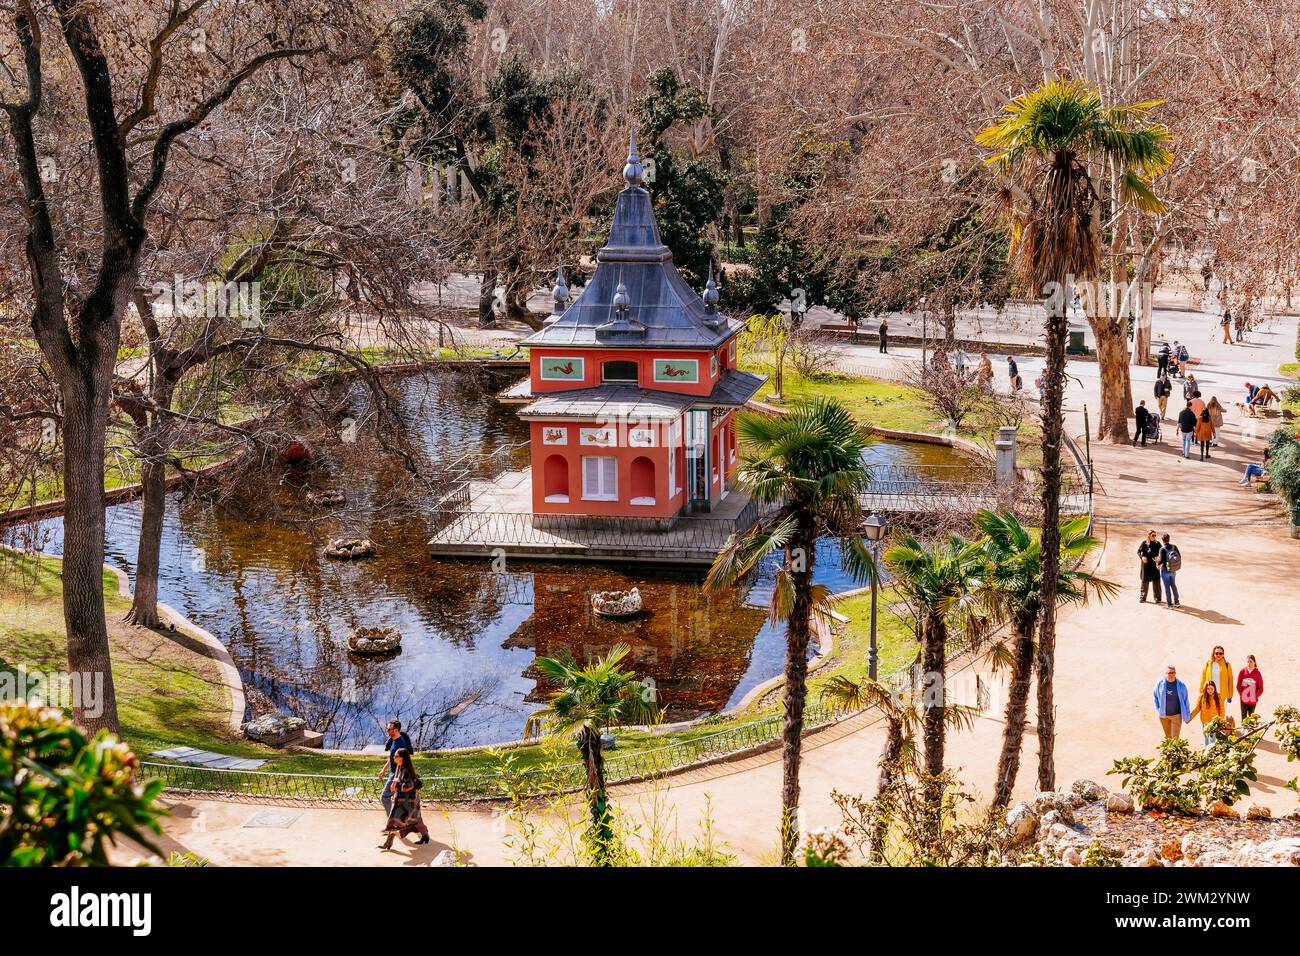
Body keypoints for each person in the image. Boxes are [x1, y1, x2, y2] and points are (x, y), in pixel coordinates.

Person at [379, 748, 430, 849]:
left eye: (396, 756)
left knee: (395, 821)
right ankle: (425, 836)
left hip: (407, 803)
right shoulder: (400, 767)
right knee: (414, 820)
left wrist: (396, 784)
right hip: (404, 801)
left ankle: (388, 844)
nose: (394, 757)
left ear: (402, 758)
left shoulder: (406, 770)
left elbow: (408, 786)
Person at [377, 719, 413, 816]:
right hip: (393, 773)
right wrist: (383, 770)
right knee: (399, 799)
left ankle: (393, 820)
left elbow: (400, 763)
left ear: (396, 730)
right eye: (387, 729)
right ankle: (399, 819)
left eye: (389, 729)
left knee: (384, 798)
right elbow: (392, 758)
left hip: (396, 774)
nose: (387, 731)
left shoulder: (400, 744)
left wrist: (395, 780)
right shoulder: (394, 741)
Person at [1154, 665, 1191, 740]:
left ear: (1175, 673)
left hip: (1176, 716)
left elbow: (1186, 700)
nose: (1171, 674)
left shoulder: (1181, 685)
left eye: (1173, 672)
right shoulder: (1160, 684)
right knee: (1168, 737)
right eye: (1169, 673)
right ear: (1166, 673)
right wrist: (1159, 709)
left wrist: (1187, 716)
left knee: (1175, 738)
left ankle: (1175, 751)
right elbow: (1155, 696)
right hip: (1164, 716)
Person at [1190, 681, 1225, 747]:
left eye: (1211, 688)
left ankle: (1211, 753)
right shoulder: (1202, 697)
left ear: (1214, 688)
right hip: (1205, 722)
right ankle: (1207, 753)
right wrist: (1189, 718)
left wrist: (1221, 721)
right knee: (1206, 738)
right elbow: (1197, 709)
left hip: (1214, 723)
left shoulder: (1218, 697)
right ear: (1205, 689)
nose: (1210, 690)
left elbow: (1222, 710)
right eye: (1208, 689)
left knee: (1212, 740)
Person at [1137, 530, 1163, 603]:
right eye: (1152, 535)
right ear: (1149, 535)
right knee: (1144, 581)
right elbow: (1138, 551)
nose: (1154, 537)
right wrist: (1142, 557)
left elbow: (1162, 552)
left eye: (1155, 535)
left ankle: (1157, 598)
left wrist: (1159, 557)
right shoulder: (1144, 543)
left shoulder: (1157, 543)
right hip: (1146, 565)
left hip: (1155, 565)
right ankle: (1142, 598)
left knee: (1156, 582)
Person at [1158, 533, 1181, 608]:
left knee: (1167, 587)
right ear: (1169, 539)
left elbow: (1161, 561)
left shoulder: (1162, 549)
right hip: (1173, 570)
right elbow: (1179, 556)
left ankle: (1169, 604)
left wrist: (1157, 563)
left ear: (1162, 540)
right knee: (1173, 585)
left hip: (1165, 570)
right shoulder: (1174, 547)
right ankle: (1177, 602)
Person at [1237, 655, 1263, 721]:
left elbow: (1260, 688)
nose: (1249, 663)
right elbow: (1238, 685)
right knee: (1244, 718)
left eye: (1251, 662)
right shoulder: (1242, 671)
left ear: (1254, 662)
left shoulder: (1257, 673)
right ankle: (1244, 731)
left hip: (1252, 700)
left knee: (1252, 719)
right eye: (1248, 662)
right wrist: (1242, 694)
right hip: (1243, 700)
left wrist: (1255, 696)